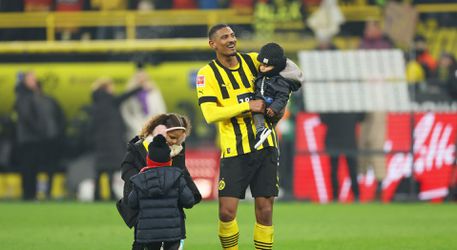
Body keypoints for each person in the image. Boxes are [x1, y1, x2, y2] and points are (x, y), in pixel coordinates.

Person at [196, 24, 302, 250]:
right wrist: (247, 106)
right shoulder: (207, 74)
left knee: (265, 210)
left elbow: (290, 68)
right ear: (213, 44)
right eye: (224, 37)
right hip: (235, 150)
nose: (231, 39)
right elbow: (210, 114)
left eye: (233, 35)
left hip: (265, 146)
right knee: (226, 212)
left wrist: (282, 98)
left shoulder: (253, 60)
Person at [117, 113, 201, 249]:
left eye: (178, 138)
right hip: (145, 205)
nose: (174, 141)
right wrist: (142, 181)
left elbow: (181, 173)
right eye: (172, 137)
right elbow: (126, 169)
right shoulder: (139, 147)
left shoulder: (177, 149)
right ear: (161, 131)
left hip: (166, 205)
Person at [128, 134, 197, 250]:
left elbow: (132, 203)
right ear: (169, 160)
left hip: (147, 233)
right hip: (173, 232)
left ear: (148, 160)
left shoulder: (140, 179)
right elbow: (189, 201)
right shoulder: (177, 177)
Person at [91, 77, 145, 200]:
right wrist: (139, 87)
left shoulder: (95, 103)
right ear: (106, 88)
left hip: (99, 140)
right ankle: (110, 193)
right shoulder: (110, 101)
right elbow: (126, 95)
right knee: (110, 169)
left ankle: (97, 194)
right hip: (112, 139)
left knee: (99, 169)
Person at [252, 42, 302, 149]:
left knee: (259, 115)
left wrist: (274, 108)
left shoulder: (281, 82)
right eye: (262, 64)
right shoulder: (264, 75)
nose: (262, 68)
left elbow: (282, 97)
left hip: (273, 108)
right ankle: (263, 133)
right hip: (264, 104)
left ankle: (262, 132)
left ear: (276, 66)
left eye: (267, 66)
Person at [320, 112, 364, 202]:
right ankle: (356, 196)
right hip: (348, 141)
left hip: (334, 140)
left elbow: (323, 119)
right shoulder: (352, 105)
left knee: (334, 170)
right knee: (352, 170)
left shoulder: (331, 105)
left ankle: (336, 197)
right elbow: (361, 117)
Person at [121, 62, 167, 140]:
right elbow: (125, 112)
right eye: (139, 78)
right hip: (136, 127)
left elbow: (161, 109)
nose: (141, 80)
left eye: (143, 78)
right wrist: (133, 124)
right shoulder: (131, 94)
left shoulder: (154, 92)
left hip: (152, 127)